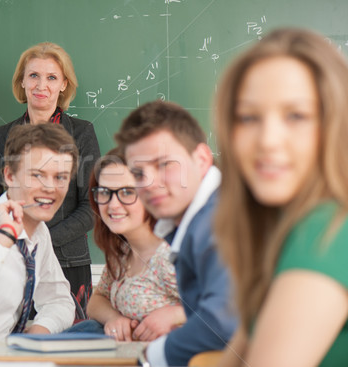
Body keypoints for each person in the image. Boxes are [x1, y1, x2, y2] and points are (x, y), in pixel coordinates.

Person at [214, 28, 348, 367]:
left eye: (296, 116)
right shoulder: (280, 229)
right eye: (249, 117)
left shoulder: (326, 232)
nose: (268, 140)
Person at [115, 101, 237, 366]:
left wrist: (151, 358)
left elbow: (222, 320)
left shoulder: (218, 220)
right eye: (138, 172)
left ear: (202, 159)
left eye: (164, 165)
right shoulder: (196, 221)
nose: (149, 183)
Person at [0, 42, 100, 315]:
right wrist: (17, 238)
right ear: (22, 82)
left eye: (51, 77)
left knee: (67, 348)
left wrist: (40, 237)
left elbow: (92, 205)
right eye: (34, 76)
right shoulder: (3, 135)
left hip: (69, 263)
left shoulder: (82, 133)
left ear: (63, 85)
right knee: (15, 347)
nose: (41, 85)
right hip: (12, 259)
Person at [0, 123, 76, 340]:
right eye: (37, 175)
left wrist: (39, 331)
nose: (50, 187)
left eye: (60, 177)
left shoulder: (40, 233)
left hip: (8, 355)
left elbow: (59, 301)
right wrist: (4, 238)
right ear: (9, 176)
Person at [67, 148, 185, 342]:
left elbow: (227, 308)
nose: (113, 205)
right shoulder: (122, 251)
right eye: (105, 192)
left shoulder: (170, 255)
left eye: (128, 192)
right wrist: (114, 319)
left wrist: (175, 314)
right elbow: (96, 301)